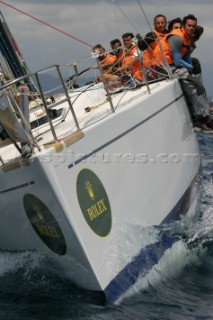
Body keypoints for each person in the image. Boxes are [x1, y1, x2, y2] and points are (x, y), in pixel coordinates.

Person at [154, 14, 213, 132]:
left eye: (193, 26)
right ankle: (202, 118)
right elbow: (177, 61)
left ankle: (204, 115)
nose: (191, 28)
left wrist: (189, 67)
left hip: (173, 66)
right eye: (189, 25)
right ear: (184, 26)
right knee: (195, 85)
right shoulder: (177, 38)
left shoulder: (187, 38)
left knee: (197, 84)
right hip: (165, 68)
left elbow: (186, 57)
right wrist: (189, 67)